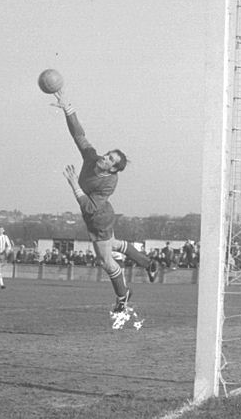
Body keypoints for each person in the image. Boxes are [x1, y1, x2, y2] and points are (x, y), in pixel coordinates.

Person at [53, 90, 158, 313]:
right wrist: (67, 109)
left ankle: (123, 296)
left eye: (110, 158)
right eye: (107, 153)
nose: (105, 157)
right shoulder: (91, 157)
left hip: (98, 219)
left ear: (113, 168)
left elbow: (90, 207)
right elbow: (78, 135)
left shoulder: (109, 183)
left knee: (106, 261)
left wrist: (74, 184)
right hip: (102, 214)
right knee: (114, 245)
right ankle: (149, 264)